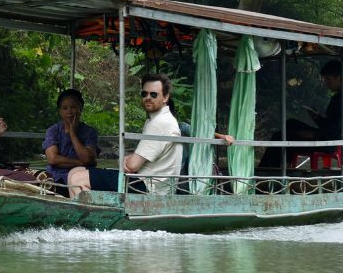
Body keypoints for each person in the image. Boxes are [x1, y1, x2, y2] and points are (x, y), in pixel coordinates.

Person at [67, 74, 232, 197]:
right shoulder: (156, 121)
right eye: (144, 94)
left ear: (165, 97)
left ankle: (86, 223)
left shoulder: (161, 123)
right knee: (76, 170)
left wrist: (126, 160)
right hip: (144, 181)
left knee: (78, 178)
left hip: (148, 187)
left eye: (154, 94)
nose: (148, 98)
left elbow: (132, 166)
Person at [261, 59, 343, 171]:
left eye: (328, 79)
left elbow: (337, 130)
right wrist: (316, 117)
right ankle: (284, 166)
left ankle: (267, 171)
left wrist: (314, 134)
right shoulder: (340, 96)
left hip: (327, 142)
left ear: (339, 77)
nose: (326, 83)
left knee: (279, 137)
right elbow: (330, 124)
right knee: (291, 123)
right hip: (324, 136)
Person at [41, 89, 99, 193]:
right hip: (56, 178)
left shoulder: (89, 132)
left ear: (80, 109)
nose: (69, 111)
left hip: (81, 178)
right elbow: (53, 159)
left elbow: (87, 158)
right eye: (65, 108)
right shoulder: (53, 131)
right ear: (60, 111)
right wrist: (81, 163)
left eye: (73, 107)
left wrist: (73, 135)